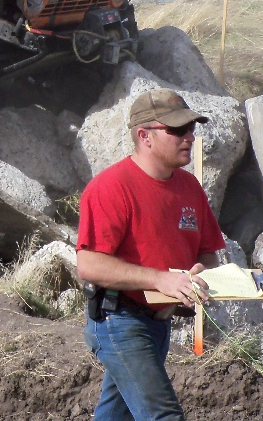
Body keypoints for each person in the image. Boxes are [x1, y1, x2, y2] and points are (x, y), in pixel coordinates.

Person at [77, 88, 226, 420]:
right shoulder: (110, 187)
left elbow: (207, 251)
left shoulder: (190, 187)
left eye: (191, 128)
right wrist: (161, 279)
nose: (189, 137)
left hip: (159, 323)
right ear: (144, 136)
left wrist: (200, 276)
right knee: (164, 416)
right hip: (119, 319)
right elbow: (88, 264)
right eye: (176, 130)